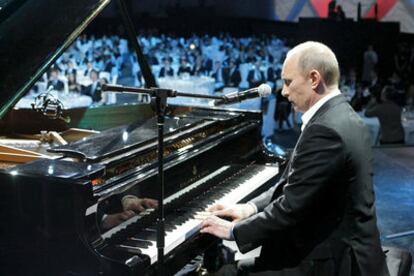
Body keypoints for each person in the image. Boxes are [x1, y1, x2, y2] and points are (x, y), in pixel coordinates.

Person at [200, 41, 389, 275]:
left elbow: (290, 208)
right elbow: (295, 186)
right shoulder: (340, 115)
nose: (284, 91)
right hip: (343, 247)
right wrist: (249, 208)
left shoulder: (326, 130)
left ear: (313, 79)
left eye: (288, 82)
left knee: (226, 272)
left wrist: (232, 232)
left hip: (333, 261)